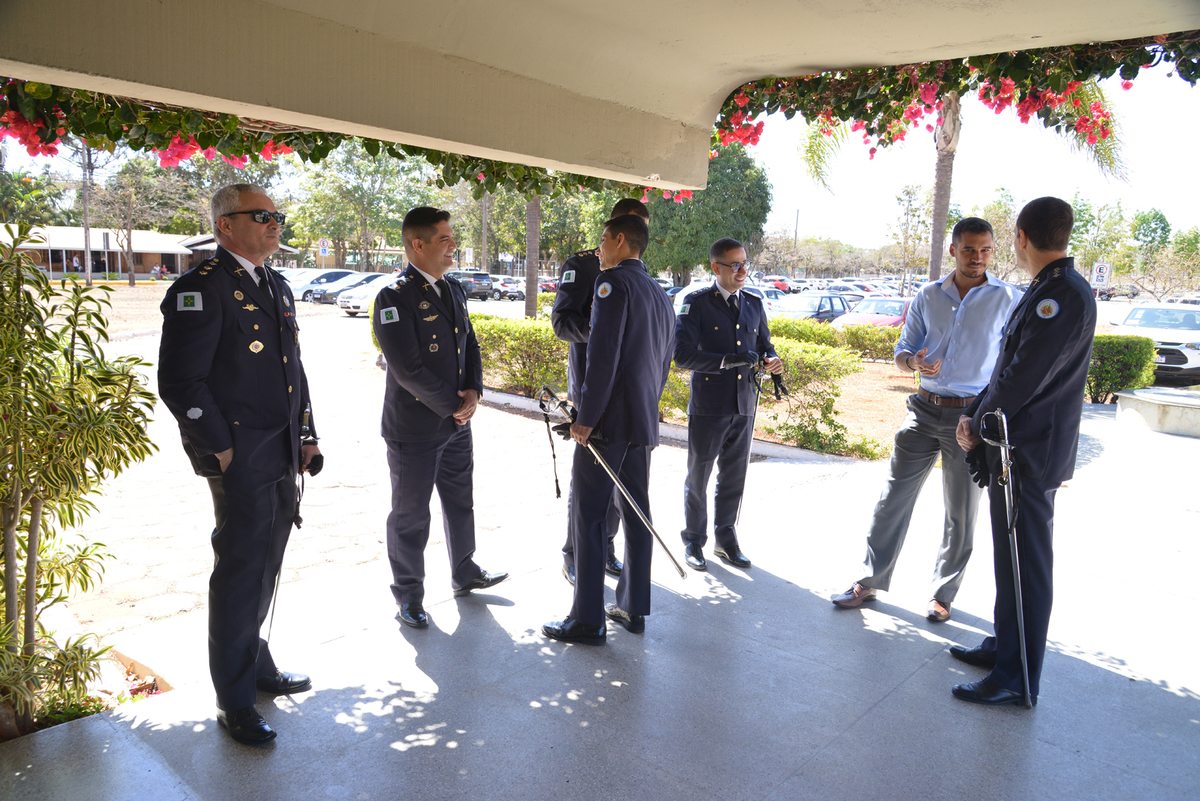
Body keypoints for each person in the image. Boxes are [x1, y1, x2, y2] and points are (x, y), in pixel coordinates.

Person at [158, 183, 321, 745]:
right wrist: (221, 448)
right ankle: (234, 700)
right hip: (239, 455)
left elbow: (292, 370)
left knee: (266, 563)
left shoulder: (275, 284)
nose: (274, 224)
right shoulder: (200, 288)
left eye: (277, 215)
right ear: (225, 225)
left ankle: (254, 661)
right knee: (240, 571)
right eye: (261, 215)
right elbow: (181, 382)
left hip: (280, 450)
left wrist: (306, 435)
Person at [830, 218, 1020, 622]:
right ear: (953, 250)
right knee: (892, 500)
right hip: (923, 409)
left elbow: (1012, 362)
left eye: (985, 250)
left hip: (970, 417)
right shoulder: (928, 295)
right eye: (969, 249)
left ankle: (942, 594)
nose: (978, 257)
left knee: (961, 512)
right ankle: (869, 580)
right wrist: (912, 362)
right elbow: (903, 350)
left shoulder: (1008, 299)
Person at [951, 197, 1097, 707]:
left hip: (1029, 454)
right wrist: (978, 409)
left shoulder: (1062, 294)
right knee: (1010, 557)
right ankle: (1006, 647)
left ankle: (1017, 677)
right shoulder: (1047, 288)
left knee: (1025, 565)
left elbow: (1024, 378)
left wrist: (976, 420)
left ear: (1021, 237)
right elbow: (1006, 368)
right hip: (1014, 447)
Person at [373, 207, 508, 631]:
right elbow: (407, 369)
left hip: (455, 424)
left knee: (460, 500)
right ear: (418, 244)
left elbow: (471, 345)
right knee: (411, 515)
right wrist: (454, 404)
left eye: (452, 237)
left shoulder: (453, 289)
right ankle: (409, 596)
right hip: (414, 428)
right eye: (445, 239)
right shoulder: (394, 296)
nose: (454, 245)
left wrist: (475, 391)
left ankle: (465, 571)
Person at [542, 214, 674, 645]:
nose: (598, 249)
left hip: (608, 422)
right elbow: (663, 362)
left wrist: (586, 418)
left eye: (603, 240)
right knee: (636, 513)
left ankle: (587, 619)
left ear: (620, 240)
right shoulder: (658, 291)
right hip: (641, 418)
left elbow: (602, 358)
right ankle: (633, 607)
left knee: (590, 515)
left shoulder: (612, 284)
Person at [551, 198, 651, 585]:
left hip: (630, 394)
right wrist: (603, 330)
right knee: (590, 480)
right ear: (615, 229)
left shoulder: (637, 272)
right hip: (591, 384)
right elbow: (562, 323)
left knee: (620, 482)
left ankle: (605, 547)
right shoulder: (584, 265)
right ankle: (575, 553)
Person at [673, 238, 783, 570]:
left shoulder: (753, 303)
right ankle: (694, 540)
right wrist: (727, 360)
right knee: (699, 476)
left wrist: (772, 358)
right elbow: (682, 355)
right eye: (735, 265)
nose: (742, 270)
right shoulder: (696, 303)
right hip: (710, 405)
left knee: (734, 476)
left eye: (745, 263)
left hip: (744, 402)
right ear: (716, 267)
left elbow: (764, 345)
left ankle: (726, 540)